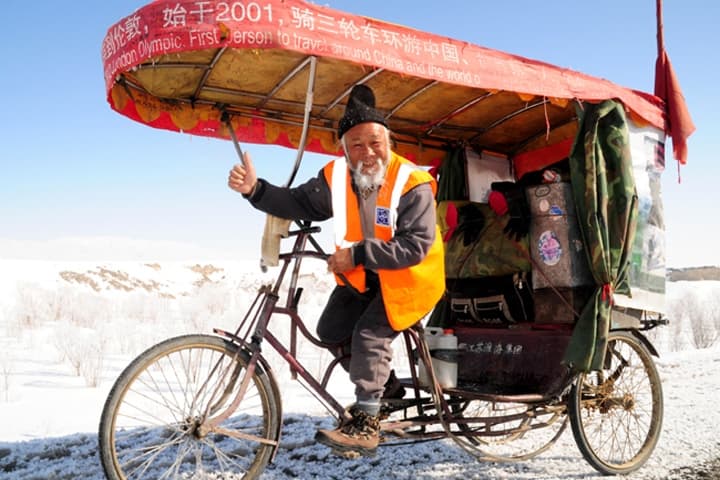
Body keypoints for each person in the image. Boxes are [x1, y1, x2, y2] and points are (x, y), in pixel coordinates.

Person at [227, 84, 445, 457]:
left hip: (411, 280)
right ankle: (387, 392)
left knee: (368, 336)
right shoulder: (336, 176)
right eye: (356, 145)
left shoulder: (412, 183)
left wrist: (357, 255)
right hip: (365, 279)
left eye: (375, 142)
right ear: (344, 149)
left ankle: (366, 423)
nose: (367, 152)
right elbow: (298, 202)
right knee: (331, 329)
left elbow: (415, 246)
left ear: (387, 141)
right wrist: (255, 190)